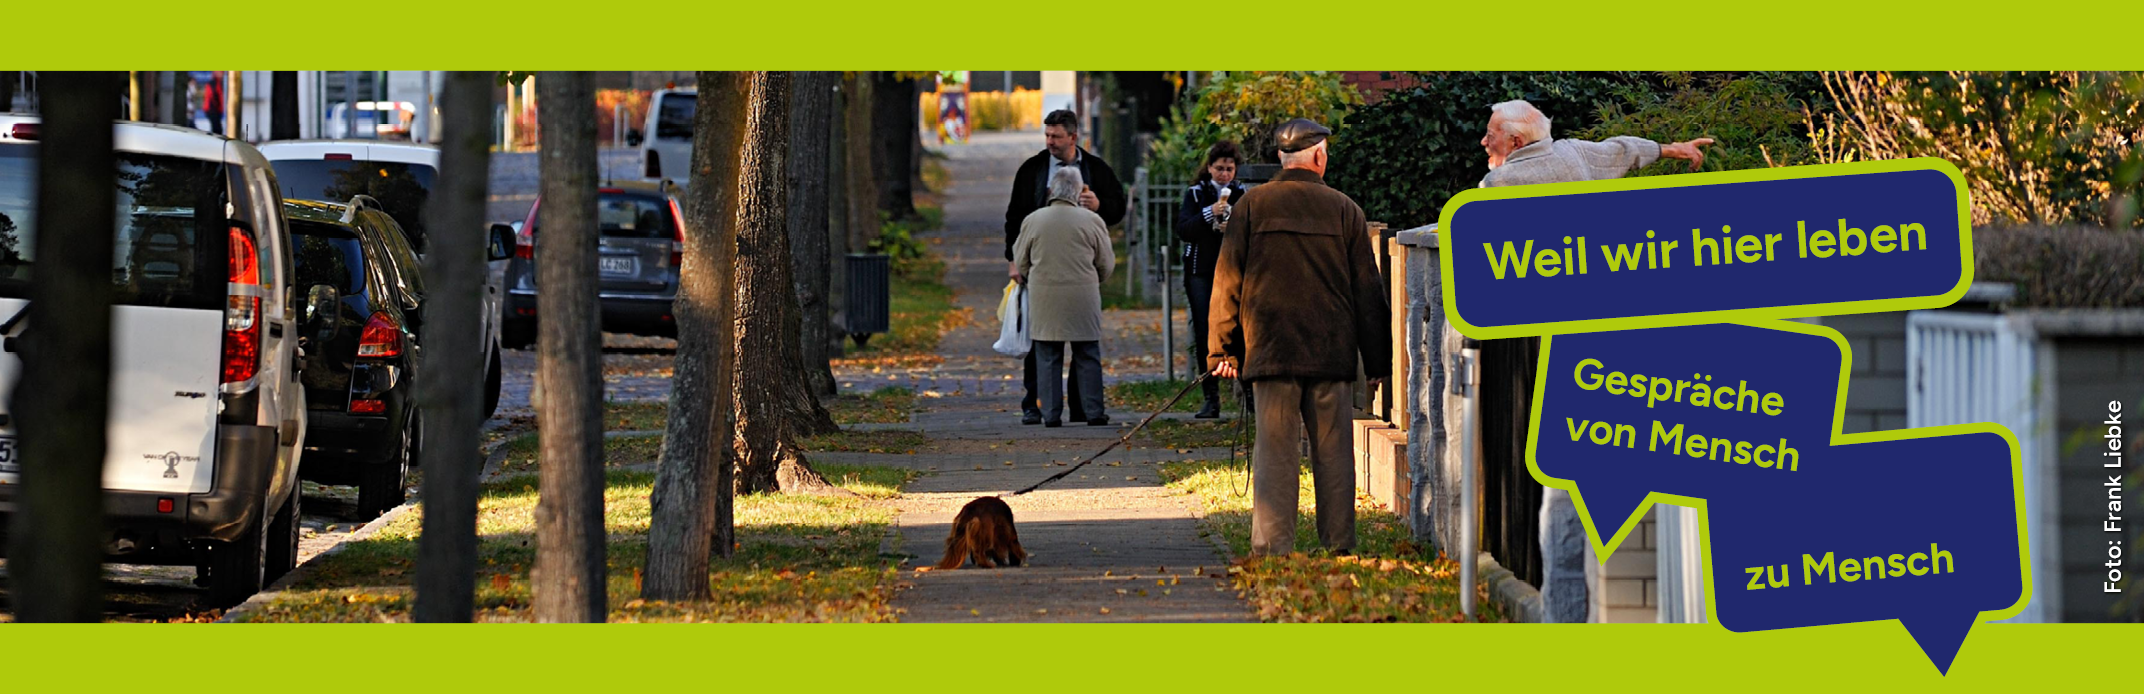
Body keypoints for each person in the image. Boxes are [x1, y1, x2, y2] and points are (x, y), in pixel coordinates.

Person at [1468, 99, 1712, 623]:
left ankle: (1564, 618)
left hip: (1557, 351)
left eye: (1491, 134)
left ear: (1514, 142)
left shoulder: (1501, 188)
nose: (1484, 142)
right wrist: (1675, 149)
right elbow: (1624, 151)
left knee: (1560, 503)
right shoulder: (1578, 156)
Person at [1209, 119, 1389, 557]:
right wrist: (1379, 363)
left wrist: (1222, 350)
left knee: (1275, 453)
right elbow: (1368, 293)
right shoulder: (1345, 210)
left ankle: (1272, 548)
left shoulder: (1252, 207)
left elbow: (1227, 280)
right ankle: (1340, 545)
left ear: (1280, 159)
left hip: (1271, 349)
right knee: (1334, 457)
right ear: (1320, 157)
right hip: (1330, 350)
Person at [1005, 109, 1127, 425]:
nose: (1050, 142)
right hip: (1060, 274)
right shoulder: (1032, 169)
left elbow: (1117, 208)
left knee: (1052, 348)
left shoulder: (1096, 170)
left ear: (1073, 137)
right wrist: (1014, 262)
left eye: (1056, 136)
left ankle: (1062, 410)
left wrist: (1099, 206)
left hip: (1054, 274)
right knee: (1054, 349)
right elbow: (1014, 217)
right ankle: (1037, 404)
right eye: (1047, 136)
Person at [1012, 167, 1115, 427]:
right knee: (1087, 353)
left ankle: (1051, 414)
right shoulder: (1092, 221)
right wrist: (1093, 279)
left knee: (1047, 356)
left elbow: (1021, 261)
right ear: (1079, 191)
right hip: (1084, 296)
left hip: (1044, 295)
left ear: (1051, 191)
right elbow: (1106, 263)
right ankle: (1093, 412)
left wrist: (1033, 276)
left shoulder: (1034, 220)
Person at [1172, 141, 1245, 419]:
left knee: (1239, 326)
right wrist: (1209, 213)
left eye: (1229, 169)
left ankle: (1246, 392)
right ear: (1209, 168)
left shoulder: (1242, 194)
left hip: (1232, 268)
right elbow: (1184, 229)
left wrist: (1233, 224)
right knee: (1205, 330)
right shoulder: (1196, 193)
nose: (1224, 174)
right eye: (1219, 169)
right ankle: (1210, 396)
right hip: (1201, 269)